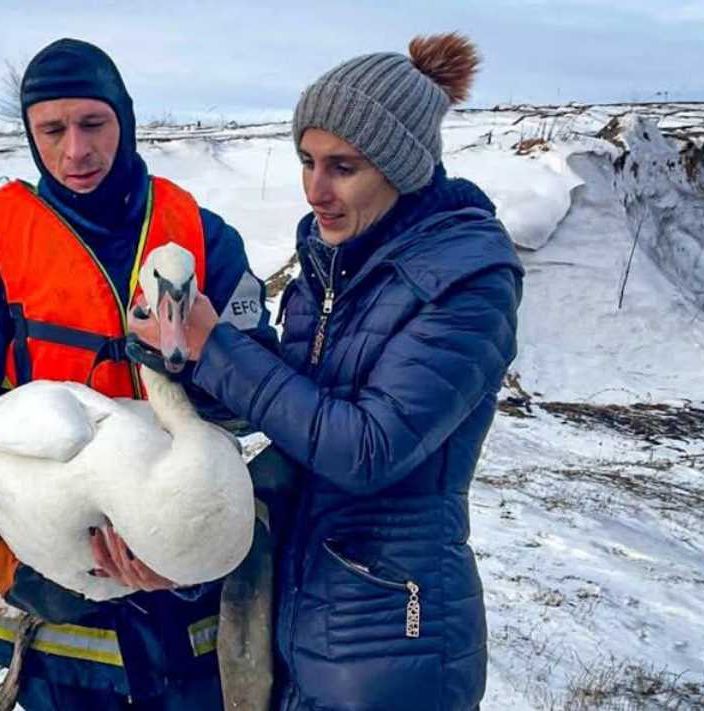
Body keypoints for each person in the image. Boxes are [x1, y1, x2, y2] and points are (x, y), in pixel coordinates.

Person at [129, 33, 523, 710]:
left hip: (391, 633)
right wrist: (181, 358)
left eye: (343, 166)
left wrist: (216, 346)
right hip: (298, 607)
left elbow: (366, 448)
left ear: (401, 167)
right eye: (307, 161)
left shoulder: (469, 281)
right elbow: (297, 405)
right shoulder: (331, 262)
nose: (316, 190)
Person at [0, 38, 277, 711]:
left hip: (196, 616)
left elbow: (264, 399)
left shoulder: (203, 242)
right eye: (52, 129)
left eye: (92, 124)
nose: (75, 151)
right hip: (64, 635)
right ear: (32, 136)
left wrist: (207, 378)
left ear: (123, 120)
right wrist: (6, 562)